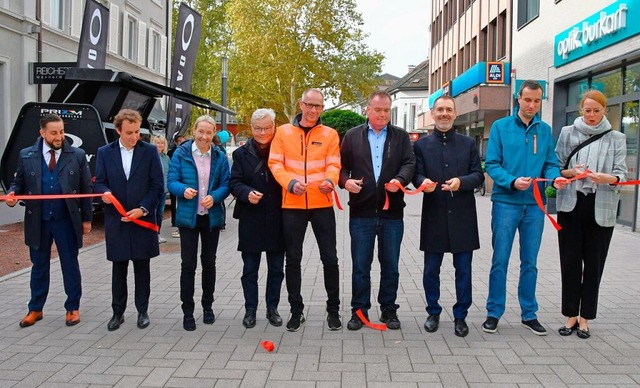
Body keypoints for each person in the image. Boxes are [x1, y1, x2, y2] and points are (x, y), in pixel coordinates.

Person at [483, 80, 569, 336]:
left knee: (530, 262)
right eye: (527, 99)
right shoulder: (500, 127)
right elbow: (492, 164)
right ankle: (494, 312)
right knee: (500, 260)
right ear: (518, 99)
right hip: (506, 203)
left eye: (537, 101)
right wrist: (512, 181)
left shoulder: (544, 130)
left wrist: (555, 178)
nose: (532, 105)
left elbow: (550, 163)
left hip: (534, 206)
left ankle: (529, 313)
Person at [6, 113, 93, 328]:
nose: (59, 136)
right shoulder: (26, 155)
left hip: (66, 220)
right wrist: (12, 194)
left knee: (70, 265)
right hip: (39, 220)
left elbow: (86, 189)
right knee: (39, 265)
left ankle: (72, 307)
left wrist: (87, 219)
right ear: (42, 133)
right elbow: (18, 183)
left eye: (62, 131)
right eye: (54, 132)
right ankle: (36, 308)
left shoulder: (77, 155)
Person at [338, 91, 415, 331]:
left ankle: (388, 310)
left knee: (390, 265)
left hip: (392, 213)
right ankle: (359, 311)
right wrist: (345, 182)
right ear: (368, 110)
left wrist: (400, 179)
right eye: (378, 110)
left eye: (386, 110)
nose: (382, 114)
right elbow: (340, 168)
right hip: (361, 213)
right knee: (361, 265)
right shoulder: (352, 136)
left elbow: (409, 163)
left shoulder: (401, 137)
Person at [555, 90, 627, 339]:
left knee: (594, 265)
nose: (592, 115)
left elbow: (621, 175)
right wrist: (570, 173)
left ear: (605, 110)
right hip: (571, 207)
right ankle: (570, 315)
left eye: (597, 110)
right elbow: (557, 167)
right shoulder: (567, 133)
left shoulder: (616, 138)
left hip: (601, 206)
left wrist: (605, 177)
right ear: (580, 110)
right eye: (587, 110)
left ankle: (585, 318)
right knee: (570, 263)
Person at [268, 88, 342, 332]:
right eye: (309, 105)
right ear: (301, 104)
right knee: (294, 259)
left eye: (318, 106)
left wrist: (330, 181)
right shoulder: (282, 132)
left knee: (330, 259)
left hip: (322, 204)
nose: (313, 110)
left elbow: (334, 164)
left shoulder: (330, 134)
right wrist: (289, 183)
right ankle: (296, 310)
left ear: (322, 108)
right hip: (293, 204)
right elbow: (275, 163)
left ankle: (333, 310)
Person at [412, 96, 484, 337]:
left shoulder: (467, 144)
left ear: (455, 114)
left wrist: (460, 182)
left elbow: (478, 175)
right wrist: (424, 183)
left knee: (463, 270)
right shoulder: (421, 145)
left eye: (448, 110)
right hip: (434, 214)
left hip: (463, 216)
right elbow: (416, 174)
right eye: (440, 109)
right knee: (431, 269)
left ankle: (461, 315)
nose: (444, 114)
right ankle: (433, 311)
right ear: (432, 114)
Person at [94, 109, 164, 331]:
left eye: (137, 132)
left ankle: (142, 311)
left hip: (141, 219)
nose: (134, 137)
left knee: (142, 268)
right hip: (117, 220)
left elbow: (157, 186)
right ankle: (118, 312)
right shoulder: (105, 152)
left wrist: (143, 209)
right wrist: (104, 193)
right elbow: (99, 182)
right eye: (129, 133)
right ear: (118, 131)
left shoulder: (150, 152)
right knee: (119, 268)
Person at [168, 115, 230, 331]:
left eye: (209, 133)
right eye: (201, 131)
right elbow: (172, 181)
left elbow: (226, 184)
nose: (204, 136)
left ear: (214, 134)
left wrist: (215, 196)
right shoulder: (181, 152)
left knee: (209, 263)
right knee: (188, 264)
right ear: (194, 130)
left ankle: (208, 307)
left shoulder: (220, 156)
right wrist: (183, 190)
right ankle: (187, 310)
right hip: (188, 217)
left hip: (211, 218)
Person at [229, 108, 285, 328]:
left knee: (276, 269)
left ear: (274, 127)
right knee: (250, 270)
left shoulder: (282, 150)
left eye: (267, 128)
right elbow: (234, 182)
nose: (263, 132)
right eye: (258, 128)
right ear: (251, 128)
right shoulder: (240, 154)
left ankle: (272, 308)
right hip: (251, 217)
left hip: (278, 217)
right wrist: (246, 193)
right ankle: (250, 309)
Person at [152, 135, 171, 243]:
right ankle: (152, 234)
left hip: (163, 190)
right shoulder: (151, 156)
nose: (160, 145)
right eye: (158, 142)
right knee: (152, 212)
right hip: (154, 190)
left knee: (160, 213)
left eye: (162, 143)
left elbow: (169, 172)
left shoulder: (166, 158)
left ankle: (157, 233)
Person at [169, 134, 186, 239]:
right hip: (179, 187)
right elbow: (172, 178)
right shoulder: (174, 153)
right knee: (175, 203)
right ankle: (176, 222)